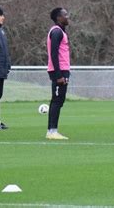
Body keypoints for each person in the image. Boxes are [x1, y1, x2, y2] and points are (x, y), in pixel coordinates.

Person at [46, 8, 71, 140]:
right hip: (59, 70)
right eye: (65, 15)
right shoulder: (56, 32)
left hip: (63, 69)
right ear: (58, 18)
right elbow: (54, 54)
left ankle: (52, 130)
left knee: (59, 100)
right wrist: (58, 74)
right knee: (56, 100)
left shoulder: (61, 31)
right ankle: (52, 131)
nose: (67, 17)